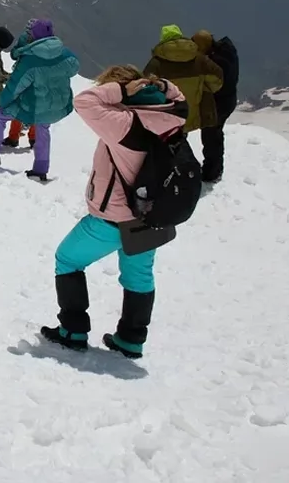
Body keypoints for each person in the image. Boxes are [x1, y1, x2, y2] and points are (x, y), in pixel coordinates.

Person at [41, 65, 188, 359]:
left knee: (67, 259)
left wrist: (120, 91)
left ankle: (73, 330)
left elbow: (84, 101)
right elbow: (181, 96)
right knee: (139, 277)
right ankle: (131, 339)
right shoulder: (171, 114)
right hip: (151, 217)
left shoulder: (124, 123)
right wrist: (160, 84)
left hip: (113, 217)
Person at [0, 19, 80, 180]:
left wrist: (3, 102)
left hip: (33, 104)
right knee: (43, 129)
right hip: (58, 104)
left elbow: (14, 87)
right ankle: (40, 169)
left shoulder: (30, 60)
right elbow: (74, 68)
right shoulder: (66, 54)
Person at [143, 25, 223, 134]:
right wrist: (203, 88)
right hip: (193, 113)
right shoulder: (199, 59)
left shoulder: (156, 63)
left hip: (169, 114)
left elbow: (145, 88)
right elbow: (217, 79)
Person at [193, 30, 239, 182]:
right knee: (214, 134)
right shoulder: (226, 53)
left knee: (211, 135)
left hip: (219, 103)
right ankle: (214, 170)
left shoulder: (217, 62)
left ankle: (212, 172)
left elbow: (215, 85)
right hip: (228, 100)